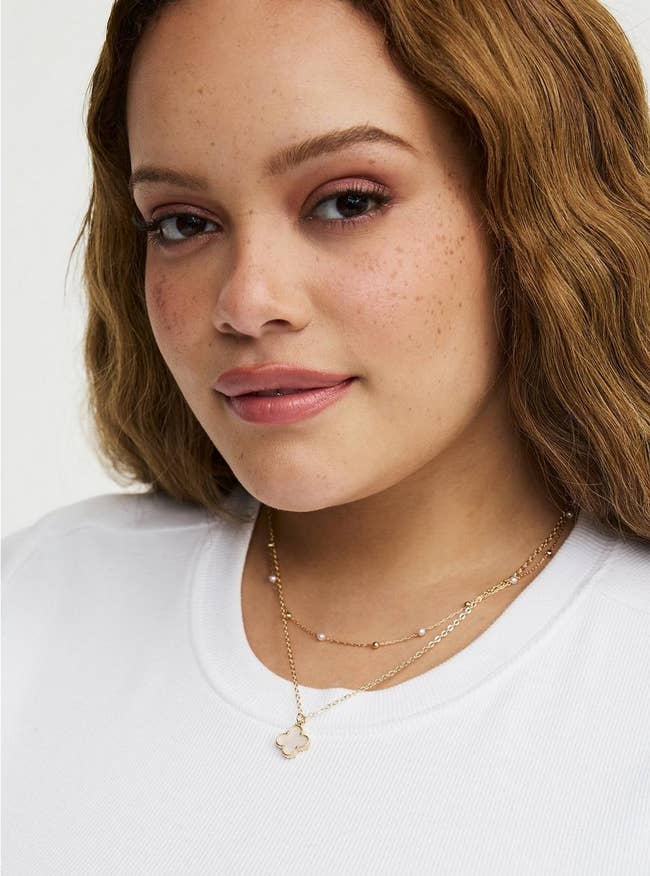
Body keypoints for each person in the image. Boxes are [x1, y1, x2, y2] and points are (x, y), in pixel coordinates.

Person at [3, 0, 649, 872]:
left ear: (538, 211)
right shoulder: (37, 607)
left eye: (347, 202)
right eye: (183, 222)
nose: (247, 302)